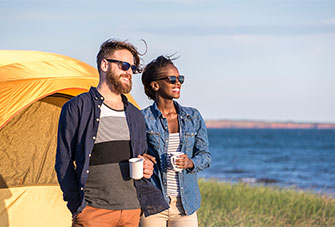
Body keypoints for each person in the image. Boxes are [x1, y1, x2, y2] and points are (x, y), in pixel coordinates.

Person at [55, 39, 168, 227]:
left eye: (133, 68)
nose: (129, 72)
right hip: (93, 213)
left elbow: (141, 157)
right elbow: (63, 162)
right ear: (104, 64)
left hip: (132, 211)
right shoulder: (77, 108)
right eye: (124, 65)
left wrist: (147, 165)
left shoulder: (135, 114)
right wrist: (78, 207)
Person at [140, 55, 211, 227]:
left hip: (185, 205)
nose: (178, 83)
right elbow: (133, 154)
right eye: (172, 79)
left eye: (180, 79)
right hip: (152, 203)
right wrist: (141, 158)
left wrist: (190, 163)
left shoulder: (193, 116)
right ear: (155, 85)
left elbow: (205, 156)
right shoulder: (142, 118)